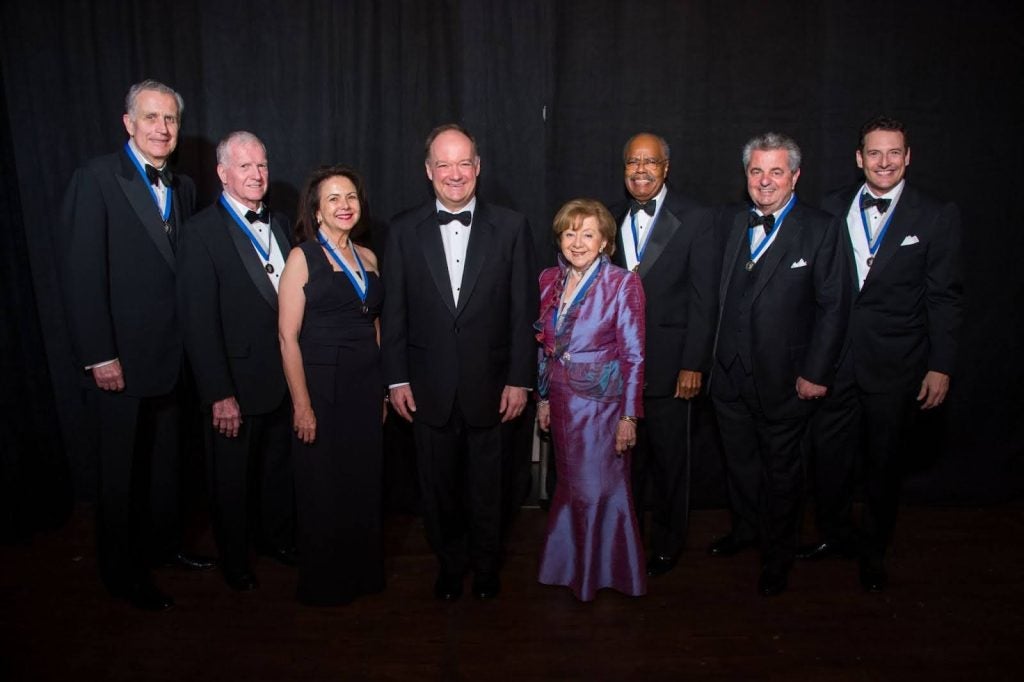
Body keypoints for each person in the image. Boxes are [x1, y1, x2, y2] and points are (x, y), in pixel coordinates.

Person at [60, 79, 214, 611]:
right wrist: (100, 354)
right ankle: (121, 574)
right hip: (120, 361)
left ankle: (165, 548)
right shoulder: (97, 178)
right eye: (150, 118)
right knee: (121, 474)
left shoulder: (186, 187)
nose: (161, 128)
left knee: (166, 466)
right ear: (128, 123)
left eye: (169, 119)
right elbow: (81, 275)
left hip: (172, 359)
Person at [800, 116, 964, 592]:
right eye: (875, 153)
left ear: (908, 157)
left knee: (883, 463)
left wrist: (941, 364)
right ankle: (833, 535)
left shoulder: (935, 215)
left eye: (894, 153)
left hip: (896, 365)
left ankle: (873, 551)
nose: (884, 162)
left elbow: (945, 297)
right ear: (859, 158)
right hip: (833, 360)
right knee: (828, 457)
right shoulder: (830, 206)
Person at [381, 124, 536, 601]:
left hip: (492, 388)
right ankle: (449, 566)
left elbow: (522, 311)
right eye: (443, 164)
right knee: (438, 489)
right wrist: (396, 378)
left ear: (478, 167)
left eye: (463, 162)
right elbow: (396, 311)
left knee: (490, 490)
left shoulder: (512, 227)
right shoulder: (403, 229)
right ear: (428, 172)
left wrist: (519, 380)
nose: (454, 174)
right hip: (427, 389)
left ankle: (487, 568)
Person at [709, 132, 849, 596]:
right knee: (740, 464)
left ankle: (778, 555)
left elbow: (834, 307)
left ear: (795, 176)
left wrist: (816, 372)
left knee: (782, 473)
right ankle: (746, 530)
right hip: (727, 374)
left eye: (775, 171)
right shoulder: (728, 219)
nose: (764, 181)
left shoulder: (822, 227)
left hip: (786, 379)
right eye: (756, 171)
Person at [178, 131, 296, 592]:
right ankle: (235, 559)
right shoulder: (200, 232)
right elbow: (197, 322)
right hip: (235, 384)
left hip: (284, 378)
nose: (256, 175)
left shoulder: (283, 224)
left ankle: (277, 541)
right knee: (232, 479)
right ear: (223, 174)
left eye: (262, 165)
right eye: (244, 166)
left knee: (277, 469)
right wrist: (218, 393)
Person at [610, 132, 717, 577]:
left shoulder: (696, 218)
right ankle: (629, 541)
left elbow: (704, 298)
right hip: (619, 372)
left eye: (649, 162)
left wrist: (693, 363)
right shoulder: (609, 220)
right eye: (632, 161)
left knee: (672, 464)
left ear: (666, 167)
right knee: (627, 467)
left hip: (673, 367)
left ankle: (669, 544)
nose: (640, 169)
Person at [278, 165, 385, 606]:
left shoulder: (370, 257)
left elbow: (375, 324)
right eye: (334, 200)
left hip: (364, 386)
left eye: (351, 198)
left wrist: (380, 389)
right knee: (323, 486)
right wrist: (301, 405)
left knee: (362, 482)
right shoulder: (302, 256)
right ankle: (325, 582)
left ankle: (362, 574)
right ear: (317, 212)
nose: (345, 206)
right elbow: (287, 337)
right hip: (321, 386)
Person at [536, 199, 647, 601]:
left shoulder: (623, 283)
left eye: (587, 234)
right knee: (569, 488)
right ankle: (568, 567)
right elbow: (544, 346)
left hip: (603, 408)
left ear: (604, 242)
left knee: (598, 489)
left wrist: (629, 417)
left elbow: (634, 356)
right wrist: (544, 399)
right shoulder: (549, 279)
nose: (577, 242)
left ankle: (603, 573)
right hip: (563, 402)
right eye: (569, 233)